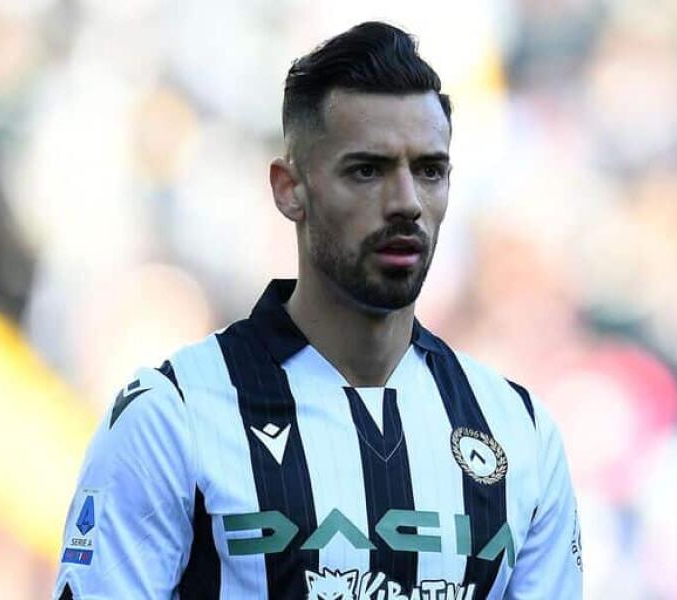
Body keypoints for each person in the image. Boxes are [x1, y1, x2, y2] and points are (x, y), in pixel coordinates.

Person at [53, 21, 582, 600]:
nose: (406, 202)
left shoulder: (518, 431)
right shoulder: (173, 416)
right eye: (367, 170)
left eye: (429, 170)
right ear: (290, 189)